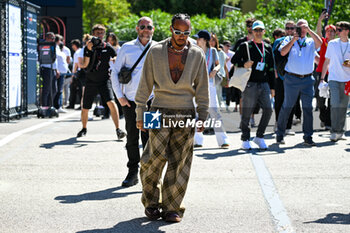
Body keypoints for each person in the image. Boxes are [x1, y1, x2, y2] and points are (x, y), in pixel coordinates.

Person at [134, 13, 209, 223]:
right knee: (151, 159)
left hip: (186, 112)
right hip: (157, 109)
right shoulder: (155, 51)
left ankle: (172, 207)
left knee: (180, 161)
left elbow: (202, 88)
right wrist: (140, 112)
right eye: (178, 32)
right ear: (170, 30)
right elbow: (144, 85)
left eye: (186, 33)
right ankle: (151, 202)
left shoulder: (197, 54)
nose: (182, 36)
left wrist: (202, 115)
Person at [111, 17, 157, 187]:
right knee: (132, 137)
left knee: (150, 138)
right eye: (143, 26)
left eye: (149, 27)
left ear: (153, 30)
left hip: (153, 102)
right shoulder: (127, 48)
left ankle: (149, 174)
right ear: (137, 29)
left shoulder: (158, 48)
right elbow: (114, 72)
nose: (146, 29)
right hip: (131, 102)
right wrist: (120, 97)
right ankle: (132, 172)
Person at [276, 19, 322, 146]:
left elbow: (320, 44)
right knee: (287, 106)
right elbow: (282, 52)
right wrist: (293, 40)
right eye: (299, 27)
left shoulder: (310, 40)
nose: (302, 30)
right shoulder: (289, 39)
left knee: (308, 108)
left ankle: (308, 136)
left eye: (304, 27)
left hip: (307, 79)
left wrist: (309, 31)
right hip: (292, 79)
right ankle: (280, 133)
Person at [77, 24, 126, 140]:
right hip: (90, 80)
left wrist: (114, 59)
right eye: (97, 33)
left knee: (111, 102)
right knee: (85, 106)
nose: (100, 35)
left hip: (104, 80)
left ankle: (118, 129)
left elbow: (116, 58)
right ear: (93, 34)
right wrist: (88, 50)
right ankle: (84, 128)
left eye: (102, 33)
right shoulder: (88, 47)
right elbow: (85, 65)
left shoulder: (108, 47)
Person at [231, 20, 274, 150]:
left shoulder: (267, 47)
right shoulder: (245, 46)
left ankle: (259, 136)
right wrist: (244, 64)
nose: (258, 33)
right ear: (252, 32)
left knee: (268, 109)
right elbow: (234, 60)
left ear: (264, 31)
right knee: (247, 112)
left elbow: (271, 68)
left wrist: (273, 87)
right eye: (256, 30)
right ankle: (245, 138)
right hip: (250, 83)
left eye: (261, 30)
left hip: (264, 83)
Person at [194, 29, 230, 148]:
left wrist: (215, 69)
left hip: (210, 84)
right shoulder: (193, 51)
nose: (196, 40)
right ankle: (197, 140)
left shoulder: (213, 51)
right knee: (197, 112)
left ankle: (223, 140)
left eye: (198, 38)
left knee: (215, 111)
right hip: (196, 85)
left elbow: (218, 64)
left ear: (204, 40)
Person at [320, 21, 350, 141]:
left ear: (347, 31)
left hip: (347, 80)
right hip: (333, 78)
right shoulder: (332, 44)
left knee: (343, 106)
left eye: (339, 30)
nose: (337, 32)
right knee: (335, 104)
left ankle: (340, 131)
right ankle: (334, 131)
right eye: (336, 30)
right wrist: (322, 79)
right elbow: (326, 61)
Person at [272, 21, 298, 135]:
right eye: (287, 28)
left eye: (292, 28)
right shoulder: (279, 41)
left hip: (293, 76)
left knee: (291, 101)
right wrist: (275, 71)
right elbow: (273, 57)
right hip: (280, 76)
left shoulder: (298, 42)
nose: (289, 30)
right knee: (279, 101)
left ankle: (288, 127)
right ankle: (278, 123)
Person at [233, 18, 257, 127]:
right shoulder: (241, 42)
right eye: (248, 25)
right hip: (243, 73)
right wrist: (244, 64)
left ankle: (251, 118)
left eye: (252, 25)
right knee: (243, 98)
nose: (250, 28)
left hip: (256, 74)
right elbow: (234, 60)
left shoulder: (261, 41)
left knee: (253, 98)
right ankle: (243, 120)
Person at [315, 11, 336, 130]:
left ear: (335, 33)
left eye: (332, 31)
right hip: (321, 73)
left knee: (332, 99)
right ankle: (323, 118)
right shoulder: (323, 42)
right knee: (321, 100)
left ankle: (328, 123)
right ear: (326, 33)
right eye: (328, 31)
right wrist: (320, 21)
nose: (330, 32)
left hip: (333, 74)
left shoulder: (338, 44)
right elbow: (318, 33)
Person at [40, 32, 59, 109]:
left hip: (52, 69)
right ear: (47, 38)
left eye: (54, 38)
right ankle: (45, 106)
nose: (53, 39)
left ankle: (50, 105)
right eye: (52, 38)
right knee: (46, 89)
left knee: (54, 89)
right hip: (46, 68)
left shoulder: (54, 46)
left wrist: (56, 70)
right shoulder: (43, 45)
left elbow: (54, 59)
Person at [210, 33, 229, 108]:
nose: (211, 42)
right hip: (207, 76)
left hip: (218, 76)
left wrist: (227, 78)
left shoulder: (220, 52)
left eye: (213, 40)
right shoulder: (205, 51)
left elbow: (223, 66)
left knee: (218, 95)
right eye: (210, 40)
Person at [53, 37, 70, 113]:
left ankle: (59, 106)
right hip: (58, 72)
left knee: (60, 90)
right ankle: (56, 106)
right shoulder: (54, 48)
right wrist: (56, 70)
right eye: (60, 40)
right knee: (56, 90)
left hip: (62, 72)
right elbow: (55, 60)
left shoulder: (59, 49)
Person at [222, 40, 238, 111]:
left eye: (229, 46)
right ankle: (227, 104)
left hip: (231, 73)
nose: (228, 47)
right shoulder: (220, 53)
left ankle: (235, 106)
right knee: (226, 91)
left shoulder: (232, 54)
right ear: (223, 46)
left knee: (234, 90)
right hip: (223, 73)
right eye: (227, 46)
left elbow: (234, 63)